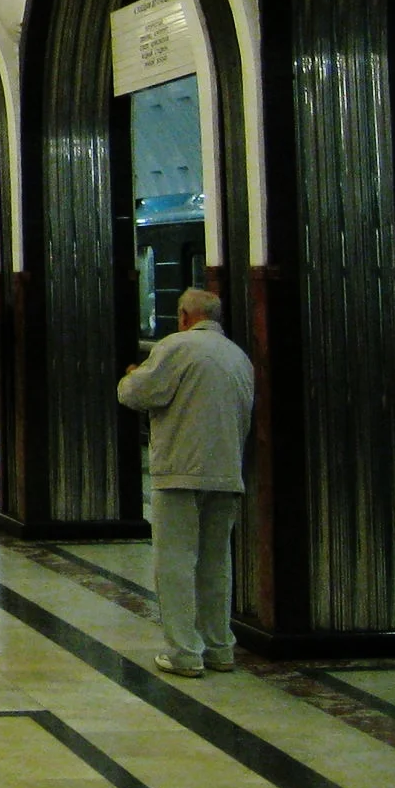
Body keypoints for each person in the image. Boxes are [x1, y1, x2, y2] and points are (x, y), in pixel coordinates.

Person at [118, 287, 256, 676]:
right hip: (227, 471)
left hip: (180, 469)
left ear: (183, 316)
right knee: (216, 562)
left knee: (176, 561)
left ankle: (184, 653)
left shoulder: (176, 346)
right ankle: (219, 646)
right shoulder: (238, 356)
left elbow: (137, 393)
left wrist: (131, 376)